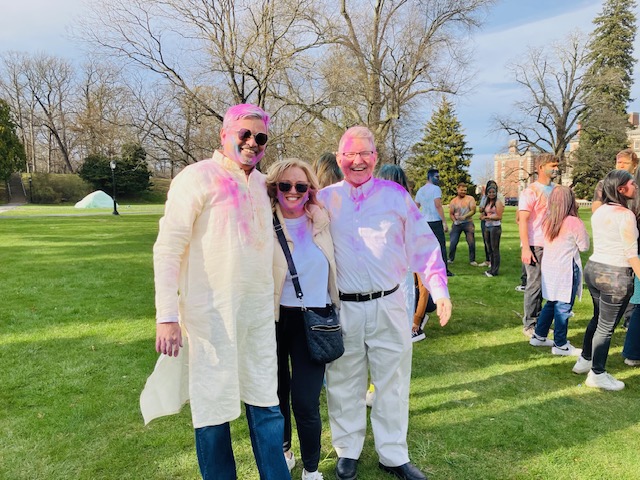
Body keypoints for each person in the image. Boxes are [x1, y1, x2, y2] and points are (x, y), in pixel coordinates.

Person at [142, 104, 291, 479]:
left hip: (257, 316)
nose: (252, 142)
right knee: (213, 409)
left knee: (266, 404)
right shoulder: (196, 178)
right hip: (210, 316)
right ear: (224, 134)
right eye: (244, 133)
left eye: (260, 137)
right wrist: (167, 316)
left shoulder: (261, 184)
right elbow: (168, 248)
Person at [317, 126, 452, 480]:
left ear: (376, 157)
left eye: (365, 153)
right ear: (339, 156)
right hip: (343, 306)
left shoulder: (396, 197)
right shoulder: (324, 199)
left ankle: (393, 454)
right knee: (344, 380)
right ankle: (347, 450)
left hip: (389, 304)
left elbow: (424, 245)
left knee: (392, 382)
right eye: (350, 153)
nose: (357, 160)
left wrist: (438, 289)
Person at [268, 158, 339, 480]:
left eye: (301, 185)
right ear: (274, 188)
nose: (293, 192)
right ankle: (284, 451)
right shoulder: (262, 224)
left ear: (310, 189)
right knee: (277, 394)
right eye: (285, 185)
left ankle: (311, 469)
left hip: (315, 320)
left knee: (305, 402)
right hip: (273, 319)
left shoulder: (322, 221)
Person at [572, 170, 640, 391]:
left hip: (594, 269)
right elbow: (631, 253)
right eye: (632, 184)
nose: (636, 186)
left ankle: (585, 359)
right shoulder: (626, 215)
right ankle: (597, 373)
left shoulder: (599, 211)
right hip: (615, 274)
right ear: (621, 189)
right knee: (606, 326)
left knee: (598, 318)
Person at [528, 186, 589, 356]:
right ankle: (560, 344)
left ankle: (539, 335)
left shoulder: (547, 220)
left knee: (552, 302)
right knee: (563, 306)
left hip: (550, 268)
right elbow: (584, 246)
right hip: (566, 268)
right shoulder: (573, 221)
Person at [518, 153, 559, 338]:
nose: (556, 168)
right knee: (534, 284)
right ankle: (530, 323)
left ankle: (542, 322)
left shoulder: (557, 190)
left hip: (553, 244)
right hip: (535, 244)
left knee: (548, 285)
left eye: (557, 165)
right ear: (541, 167)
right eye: (552, 165)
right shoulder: (530, 191)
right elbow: (523, 220)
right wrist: (526, 248)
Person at [415, 169, 453, 277]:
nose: (438, 179)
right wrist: (444, 222)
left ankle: (426, 268)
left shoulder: (420, 190)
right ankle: (444, 269)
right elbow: (438, 205)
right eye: (437, 177)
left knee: (426, 246)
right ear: (430, 177)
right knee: (440, 246)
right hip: (435, 221)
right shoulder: (436, 189)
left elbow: (416, 207)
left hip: (424, 222)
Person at [448, 182, 477, 266]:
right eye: (461, 190)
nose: (463, 192)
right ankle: (451, 259)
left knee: (471, 242)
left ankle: (472, 260)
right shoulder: (453, 201)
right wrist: (454, 221)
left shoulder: (470, 199)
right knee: (453, 242)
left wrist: (465, 216)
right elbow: (451, 213)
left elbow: (473, 210)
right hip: (457, 224)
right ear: (457, 189)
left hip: (468, 223)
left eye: (465, 190)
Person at [479, 183, 504, 277]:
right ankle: (491, 268)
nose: (491, 194)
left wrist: (487, 218)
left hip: (495, 227)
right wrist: (482, 216)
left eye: (493, 192)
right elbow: (483, 212)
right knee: (489, 248)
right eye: (489, 192)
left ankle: (495, 271)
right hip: (487, 227)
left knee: (495, 249)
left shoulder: (498, 202)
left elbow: (499, 216)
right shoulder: (487, 202)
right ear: (487, 193)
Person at [478, 181, 498, 267]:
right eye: (490, 187)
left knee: (493, 244)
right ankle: (488, 260)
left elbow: (499, 213)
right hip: (485, 222)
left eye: (493, 187)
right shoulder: (484, 197)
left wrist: (487, 217)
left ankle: (493, 262)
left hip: (493, 223)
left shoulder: (498, 198)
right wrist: (482, 210)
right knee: (487, 242)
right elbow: (480, 209)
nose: (491, 192)